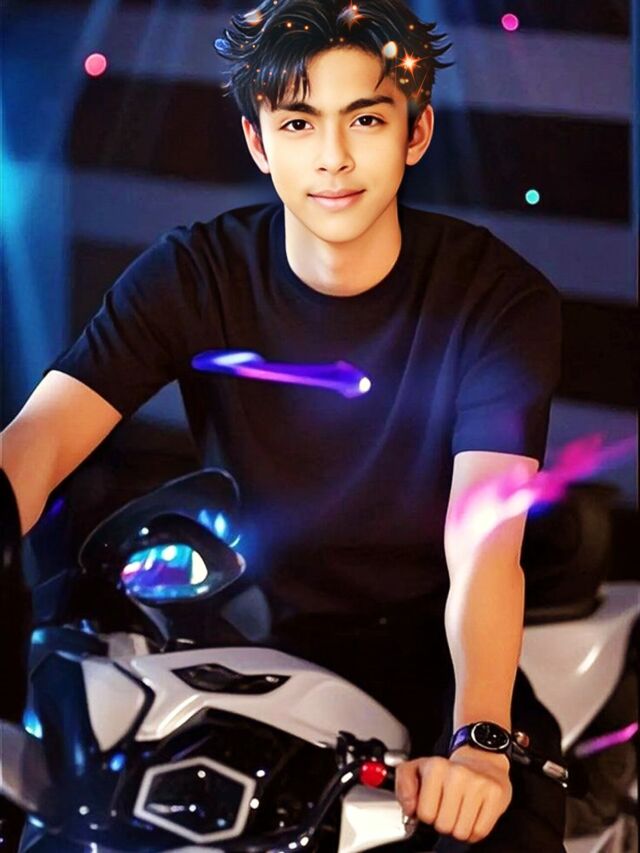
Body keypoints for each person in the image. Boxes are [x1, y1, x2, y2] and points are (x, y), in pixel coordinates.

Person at [1, 0, 566, 849]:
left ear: (415, 133)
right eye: (299, 123)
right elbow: (35, 443)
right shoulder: (194, 272)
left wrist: (480, 740)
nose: (333, 157)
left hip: (434, 647)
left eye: (365, 119)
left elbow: (485, 544)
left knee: (502, 829)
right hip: (246, 631)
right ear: (259, 142)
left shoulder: (496, 299)